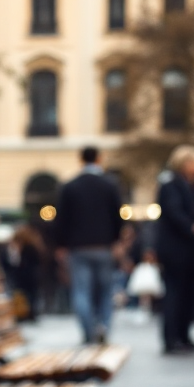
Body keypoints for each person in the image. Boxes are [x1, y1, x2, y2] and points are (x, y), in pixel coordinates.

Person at [54, 147, 124, 344]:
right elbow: (117, 217)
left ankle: (88, 331)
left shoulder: (69, 186)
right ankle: (103, 325)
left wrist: (61, 245)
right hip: (103, 247)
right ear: (99, 159)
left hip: (78, 248)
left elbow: (62, 220)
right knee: (105, 291)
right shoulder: (110, 185)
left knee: (81, 291)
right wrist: (116, 240)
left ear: (81, 160)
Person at [155, 144, 194, 354]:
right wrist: (193, 227)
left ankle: (183, 334)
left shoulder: (192, 184)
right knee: (175, 293)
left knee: (188, 294)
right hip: (176, 249)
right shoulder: (170, 184)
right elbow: (174, 212)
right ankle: (172, 337)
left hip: (190, 250)